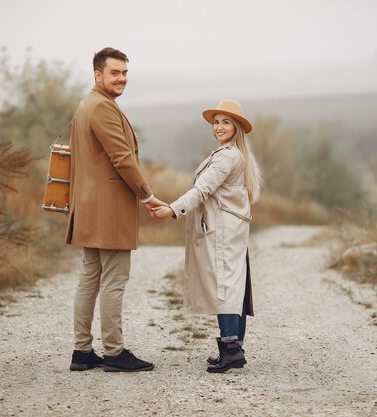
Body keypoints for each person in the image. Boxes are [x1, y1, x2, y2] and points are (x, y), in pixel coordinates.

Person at [66, 47, 165, 372]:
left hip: (89, 206)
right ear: (98, 75)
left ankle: (82, 352)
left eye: (124, 73)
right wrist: (147, 195)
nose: (122, 78)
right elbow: (122, 158)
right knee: (113, 280)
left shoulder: (88, 105)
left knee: (91, 277)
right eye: (115, 73)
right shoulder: (102, 108)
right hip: (107, 210)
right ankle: (113, 352)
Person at [153, 99, 261, 373]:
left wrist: (172, 210)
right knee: (234, 287)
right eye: (216, 122)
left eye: (226, 122)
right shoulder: (234, 154)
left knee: (224, 287)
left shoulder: (227, 157)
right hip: (231, 229)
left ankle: (230, 350)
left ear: (236, 127)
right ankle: (234, 347)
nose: (219, 127)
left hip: (223, 230)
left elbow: (202, 190)